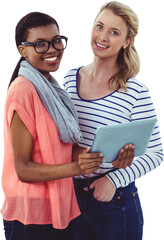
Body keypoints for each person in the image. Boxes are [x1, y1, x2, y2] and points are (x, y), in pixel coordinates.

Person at [0, 12, 107, 240]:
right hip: (31, 215)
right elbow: (24, 169)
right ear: (23, 50)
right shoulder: (24, 89)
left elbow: (57, 149)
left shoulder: (51, 88)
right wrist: (78, 168)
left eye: (56, 41)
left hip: (59, 207)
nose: (52, 49)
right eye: (40, 44)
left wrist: (96, 155)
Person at [64, 1, 164, 240]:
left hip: (114, 202)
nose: (103, 37)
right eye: (99, 26)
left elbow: (157, 153)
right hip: (72, 199)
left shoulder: (134, 91)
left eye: (114, 32)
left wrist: (112, 180)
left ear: (126, 42)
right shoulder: (69, 78)